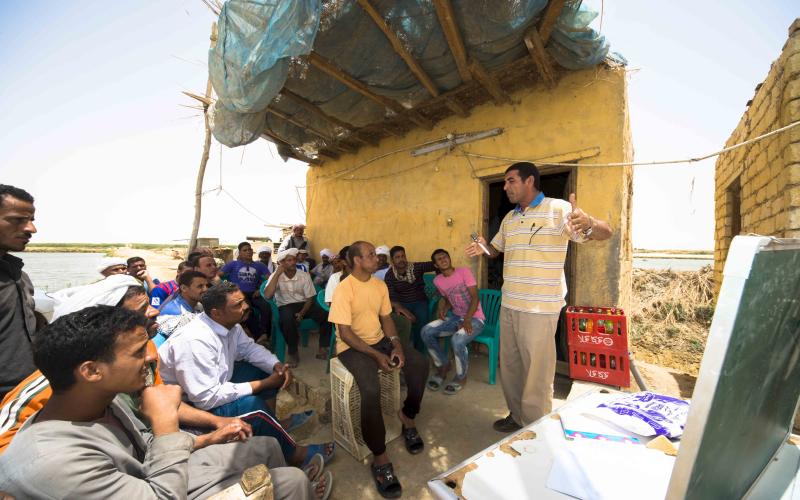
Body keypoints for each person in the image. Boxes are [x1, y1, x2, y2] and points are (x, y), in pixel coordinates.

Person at [0, 305, 321, 499]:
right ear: (91, 371)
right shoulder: (54, 461)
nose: (152, 357)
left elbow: (145, 446)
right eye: (138, 352)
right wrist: (167, 424)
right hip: (152, 491)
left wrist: (209, 438)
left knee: (262, 446)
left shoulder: (100, 401)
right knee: (290, 482)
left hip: (146, 476)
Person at [2, 276, 257, 459]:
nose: (155, 311)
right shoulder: (44, 390)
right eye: (141, 309)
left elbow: (159, 406)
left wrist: (217, 423)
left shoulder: (148, 353)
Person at [465, 162, 612, 432]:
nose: (506, 186)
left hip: (540, 307)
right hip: (510, 305)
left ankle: (535, 428)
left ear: (529, 180)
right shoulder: (510, 219)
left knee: (538, 374)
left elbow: (605, 233)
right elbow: (496, 251)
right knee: (510, 367)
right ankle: (517, 415)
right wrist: (483, 246)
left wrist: (589, 223)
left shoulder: (559, 209)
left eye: (511, 181)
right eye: (505, 182)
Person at [158, 282, 335, 468]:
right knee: (253, 406)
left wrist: (275, 365)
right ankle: (295, 455)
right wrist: (263, 384)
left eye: (243, 301)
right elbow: (205, 398)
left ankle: (271, 425)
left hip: (216, 383)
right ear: (217, 313)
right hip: (193, 404)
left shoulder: (230, 325)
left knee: (264, 370)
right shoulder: (194, 341)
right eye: (237, 305)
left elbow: (249, 349)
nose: (246, 307)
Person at [328, 241, 429, 498]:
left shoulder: (379, 285)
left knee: (418, 363)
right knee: (370, 390)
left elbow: (386, 319)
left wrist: (395, 345)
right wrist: (375, 355)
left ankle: (407, 416)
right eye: (371, 255)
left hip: (379, 340)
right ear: (358, 261)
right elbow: (345, 334)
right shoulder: (344, 289)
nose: (377, 258)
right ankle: (380, 457)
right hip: (352, 347)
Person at [421, 249, 485, 396]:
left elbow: (475, 297)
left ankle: (461, 377)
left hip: (476, 319)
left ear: (449, 258)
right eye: (439, 259)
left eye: (445, 256)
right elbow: (450, 298)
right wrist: (445, 308)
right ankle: (443, 366)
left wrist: (468, 319)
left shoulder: (464, 272)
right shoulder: (438, 281)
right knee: (426, 331)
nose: (443, 259)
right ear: (436, 265)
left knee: (457, 340)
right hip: (456, 318)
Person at [262, 249, 332, 365]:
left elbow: (310, 298)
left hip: (304, 304)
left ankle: (323, 347)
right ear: (282, 263)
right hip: (285, 305)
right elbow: (268, 295)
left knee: (326, 313)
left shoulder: (303, 275)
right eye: (289, 260)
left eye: (294, 259)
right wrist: (277, 274)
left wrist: (302, 313)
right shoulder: (276, 275)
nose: (293, 262)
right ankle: (293, 352)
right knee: (287, 319)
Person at [0, 185, 37, 401]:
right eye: (18, 220)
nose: (31, 228)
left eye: (31, 219)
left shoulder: (18, 275)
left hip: (25, 393)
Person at [384, 245, 436, 350]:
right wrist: (404, 310)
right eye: (397, 257)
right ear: (392, 260)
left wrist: (441, 281)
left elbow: (436, 264)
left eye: (403, 256)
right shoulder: (390, 275)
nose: (401, 259)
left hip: (420, 302)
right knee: (402, 324)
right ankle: (403, 350)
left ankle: (420, 351)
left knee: (422, 323)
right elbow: (392, 296)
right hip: (402, 304)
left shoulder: (416, 267)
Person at [220, 242, 270, 339]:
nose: (248, 252)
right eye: (245, 250)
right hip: (239, 294)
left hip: (254, 293)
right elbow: (218, 275)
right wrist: (227, 288)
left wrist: (261, 290)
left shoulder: (259, 265)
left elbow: (271, 279)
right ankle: (259, 335)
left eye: (249, 249)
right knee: (247, 309)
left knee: (266, 307)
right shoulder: (233, 264)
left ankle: (265, 333)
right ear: (240, 253)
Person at [152, 270, 210, 347]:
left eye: (206, 285)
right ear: (184, 288)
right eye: (200, 286)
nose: (205, 289)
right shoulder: (175, 313)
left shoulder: (198, 305)